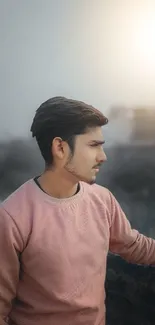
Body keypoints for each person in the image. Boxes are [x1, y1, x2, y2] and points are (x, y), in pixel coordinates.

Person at [0, 96, 155, 325]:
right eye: (93, 146)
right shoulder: (12, 217)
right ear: (60, 148)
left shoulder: (102, 199)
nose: (103, 157)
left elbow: (133, 245)